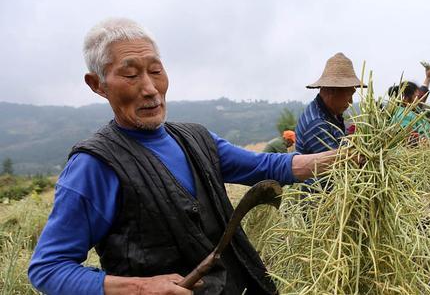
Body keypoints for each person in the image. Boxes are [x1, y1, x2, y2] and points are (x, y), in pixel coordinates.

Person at [28, 18, 339, 295]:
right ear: (98, 85)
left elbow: (266, 166)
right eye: (131, 75)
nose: (150, 89)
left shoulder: (196, 139)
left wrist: (344, 158)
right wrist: (140, 287)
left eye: (155, 71)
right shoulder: (95, 165)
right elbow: (48, 269)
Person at [295, 52, 365, 155]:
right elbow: (337, 165)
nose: (351, 102)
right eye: (350, 95)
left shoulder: (331, 114)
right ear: (332, 91)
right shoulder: (317, 125)